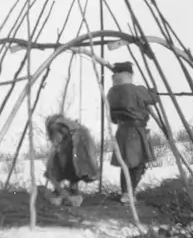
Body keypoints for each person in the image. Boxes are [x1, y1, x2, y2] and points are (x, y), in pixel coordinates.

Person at [106, 61, 160, 204]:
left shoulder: (111, 92)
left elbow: (112, 117)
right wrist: (152, 91)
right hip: (136, 131)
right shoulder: (136, 90)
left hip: (122, 131)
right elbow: (154, 99)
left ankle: (127, 192)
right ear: (129, 75)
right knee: (138, 164)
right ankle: (128, 193)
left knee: (127, 164)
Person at [43, 114, 99, 206]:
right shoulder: (68, 135)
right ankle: (67, 192)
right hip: (73, 152)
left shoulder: (74, 141)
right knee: (66, 167)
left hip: (75, 153)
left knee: (72, 167)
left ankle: (71, 192)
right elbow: (51, 170)